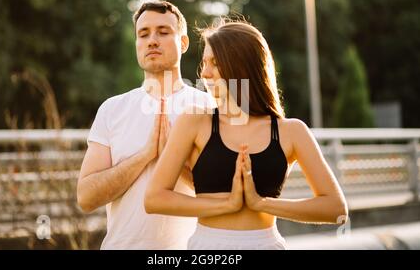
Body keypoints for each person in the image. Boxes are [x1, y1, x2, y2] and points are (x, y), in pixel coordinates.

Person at [145, 20, 348, 250]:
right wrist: (228, 204)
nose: (206, 73)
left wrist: (260, 203)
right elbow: (154, 199)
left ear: (242, 66)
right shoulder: (194, 122)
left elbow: (336, 209)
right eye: (204, 64)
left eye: (216, 63)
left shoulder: (291, 131)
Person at [77, 1, 213, 249]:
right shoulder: (112, 109)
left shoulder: (210, 108)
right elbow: (86, 198)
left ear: (183, 43)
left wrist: (174, 158)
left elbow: (224, 196)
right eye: (144, 34)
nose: (152, 40)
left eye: (163, 32)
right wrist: (145, 155)